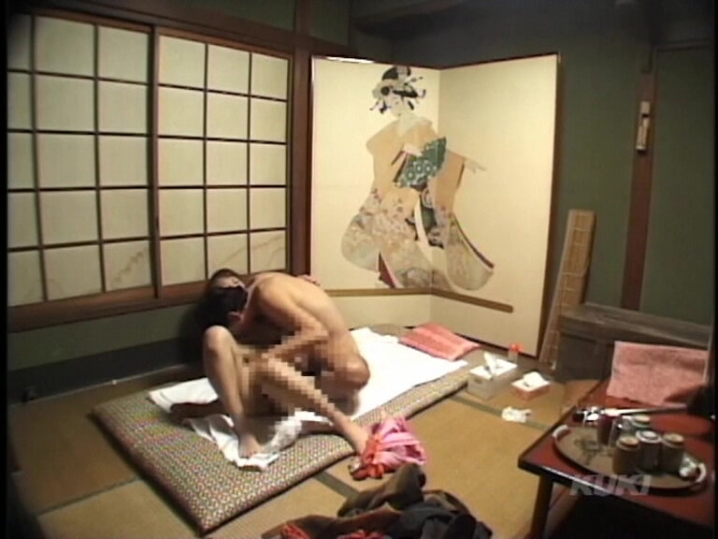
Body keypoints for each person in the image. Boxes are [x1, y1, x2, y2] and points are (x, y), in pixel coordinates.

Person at [171, 268, 371, 458]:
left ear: (235, 317)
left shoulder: (267, 293)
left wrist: (267, 358)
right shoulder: (256, 292)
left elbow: (316, 332)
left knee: (271, 365)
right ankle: (241, 423)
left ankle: (340, 422)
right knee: (215, 336)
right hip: (289, 375)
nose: (242, 336)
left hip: (327, 370)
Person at [341, 65, 494, 291]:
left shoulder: (421, 126)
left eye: (396, 101)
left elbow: (439, 152)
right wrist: (402, 149)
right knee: (366, 230)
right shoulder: (393, 128)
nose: (393, 107)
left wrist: (462, 162)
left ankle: (414, 280)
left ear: (406, 98)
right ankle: (392, 277)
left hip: (412, 188)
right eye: (389, 104)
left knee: (392, 230)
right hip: (390, 186)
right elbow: (375, 147)